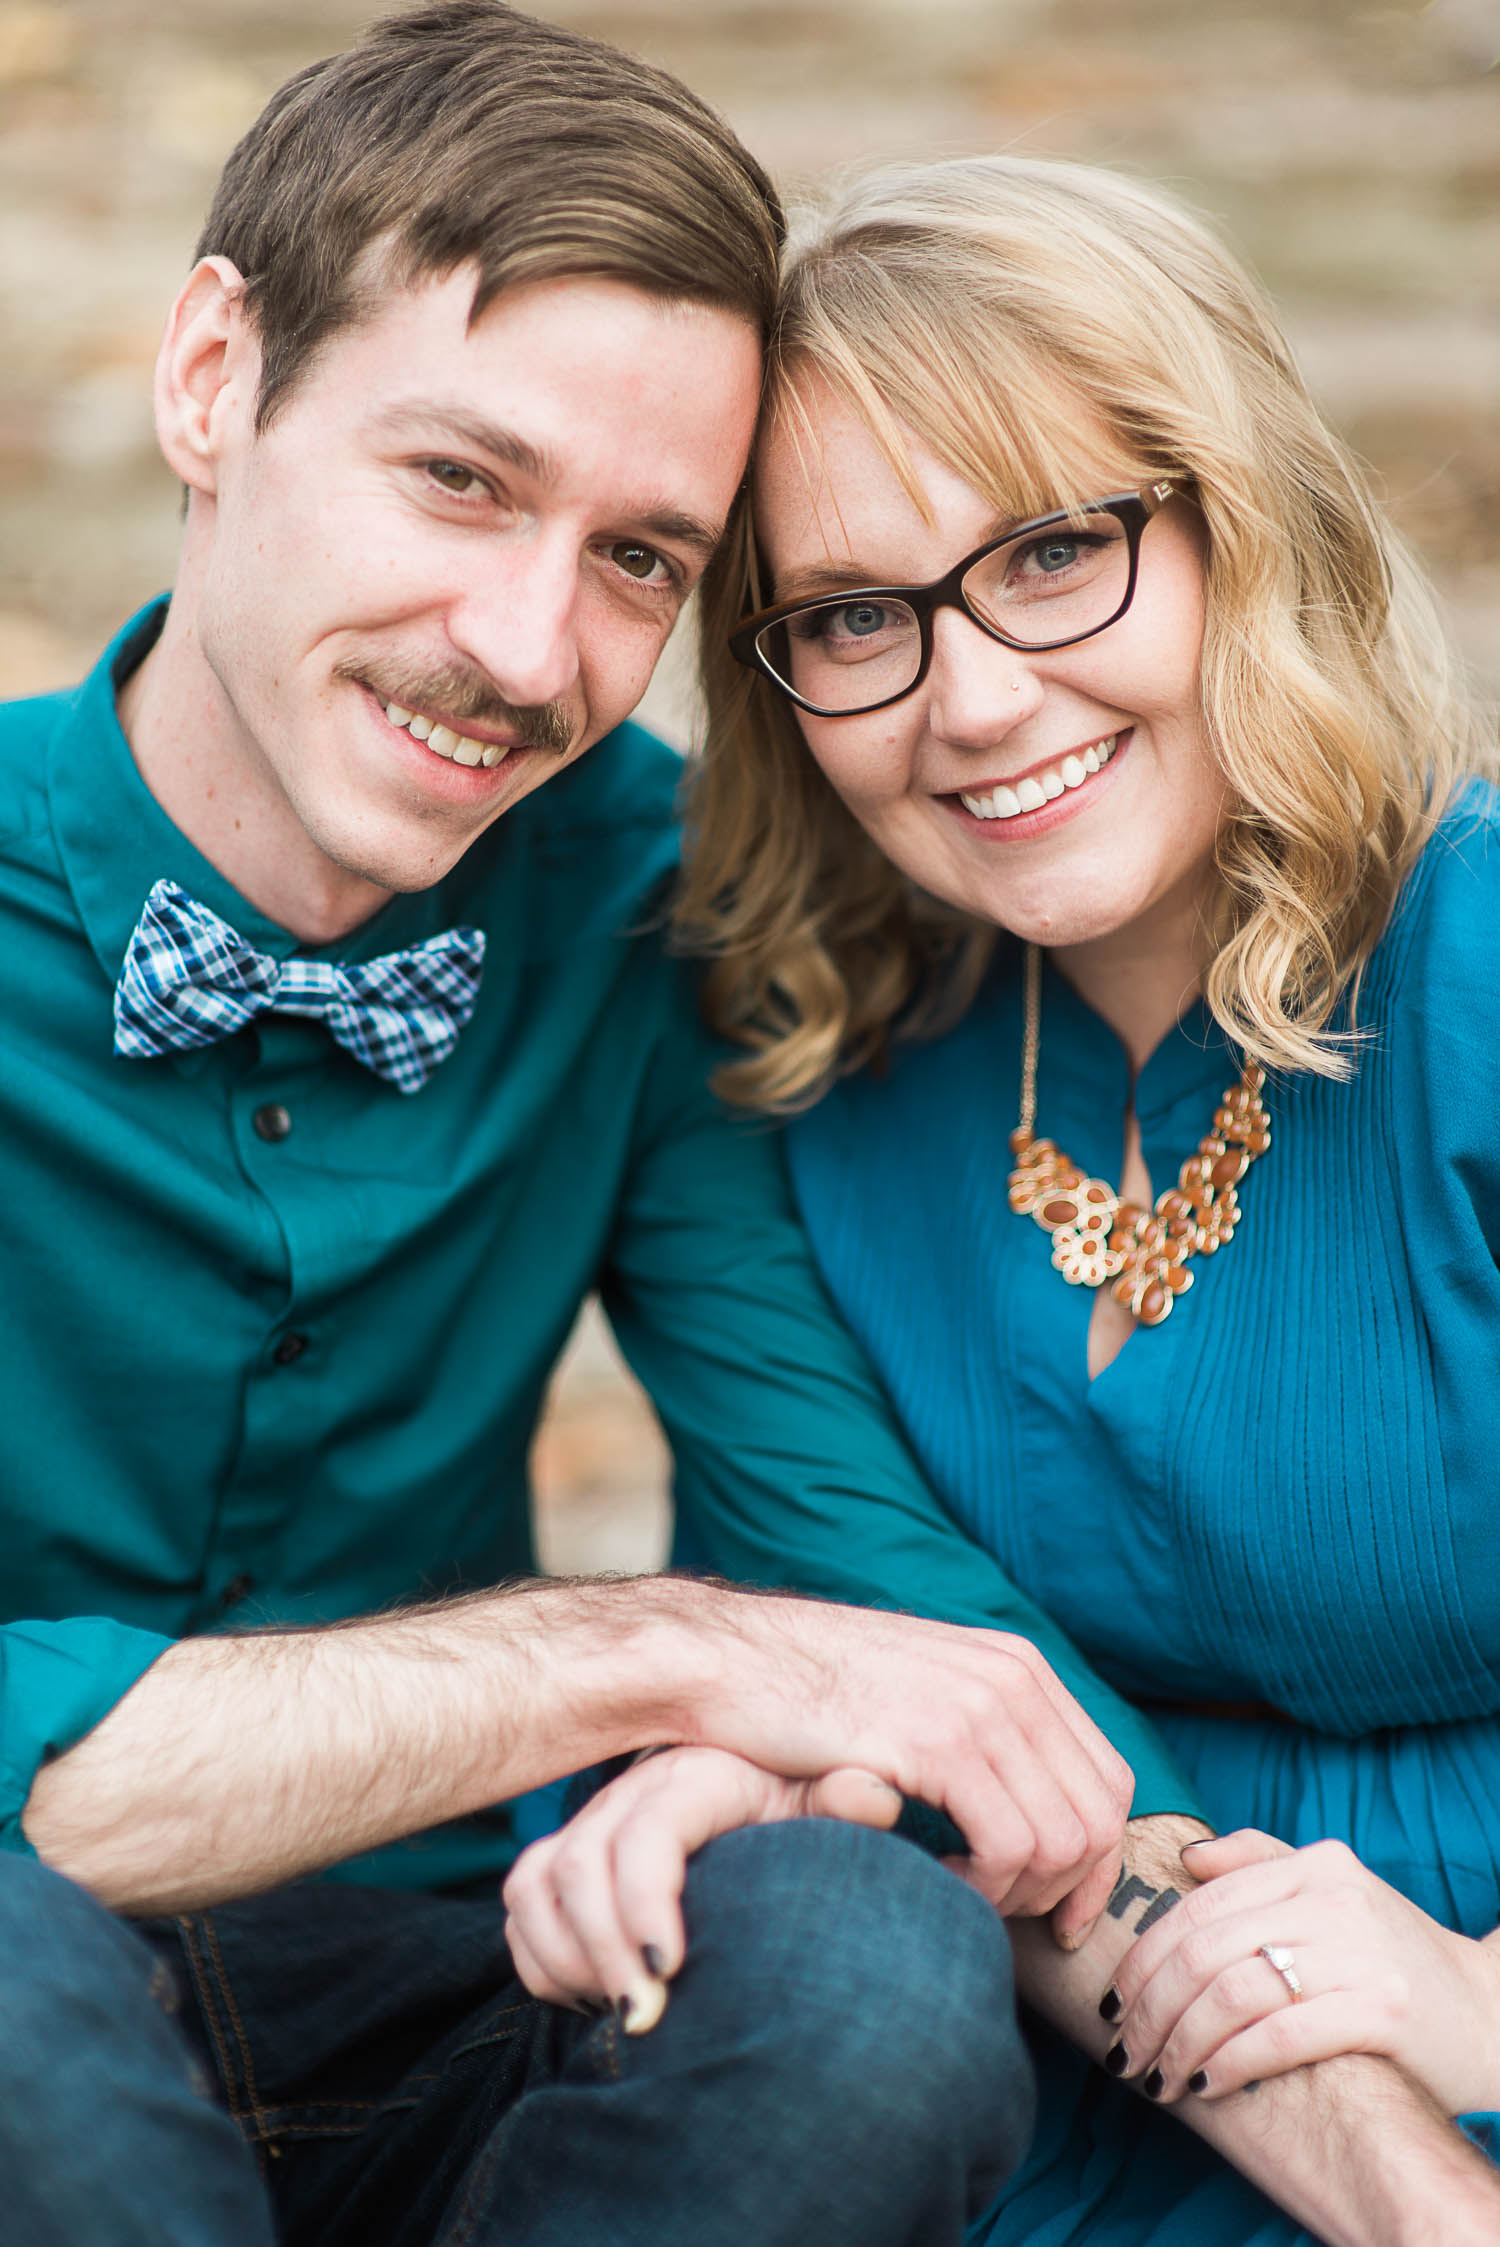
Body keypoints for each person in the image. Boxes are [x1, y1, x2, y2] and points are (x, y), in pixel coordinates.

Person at [0, 16, 1197, 2243]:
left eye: (643, 558)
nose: (528, 646)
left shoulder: (644, 893)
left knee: (865, 1962)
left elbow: (872, 1581)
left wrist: (1399, 2168)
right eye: (458, 478)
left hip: (471, 1985)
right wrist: (659, 1651)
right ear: (208, 378)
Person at [508, 153, 1500, 2241]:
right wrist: (761, 1754)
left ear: (1248, 529)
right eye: (855, 615)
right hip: (1036, 2089)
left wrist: (1473, 2007)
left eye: (1056, 552)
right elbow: (875, 1671)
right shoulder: (830, 1074)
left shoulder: (1477, 974)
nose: (971, 698)